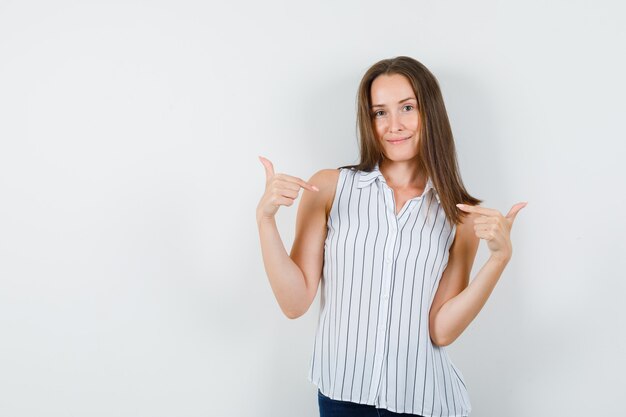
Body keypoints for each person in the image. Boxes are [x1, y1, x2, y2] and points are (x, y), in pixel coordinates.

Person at [256, 56, 526, 417]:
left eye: (407, 108)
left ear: (429, 111)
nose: (393, 125)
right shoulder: (327, 187)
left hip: (424, 403)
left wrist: (498, 260)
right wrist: (266, 220)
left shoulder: (459, 215)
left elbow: (441, 330)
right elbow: (294, 303)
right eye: (379, 112)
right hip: (341, 398)